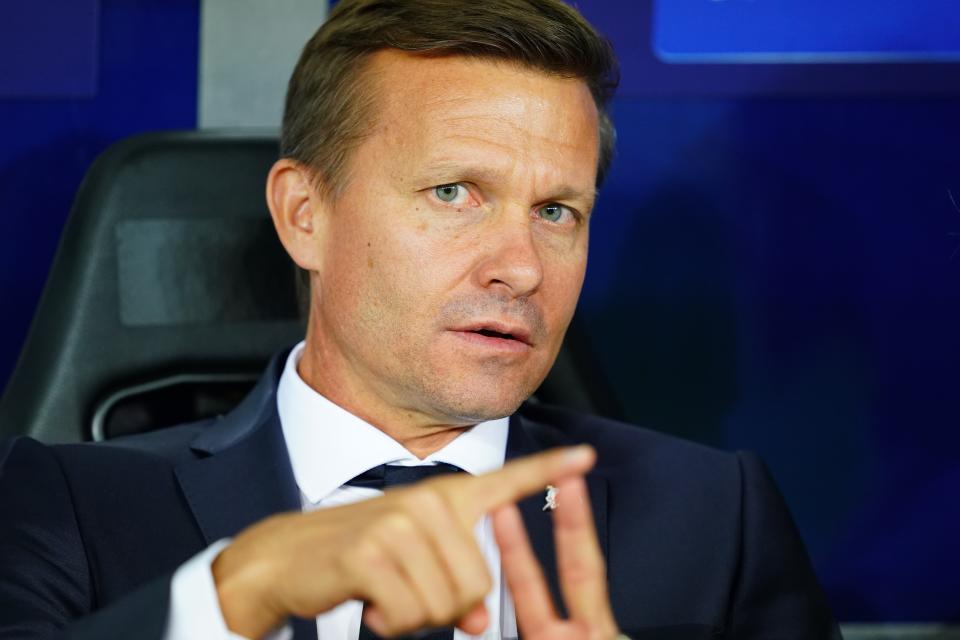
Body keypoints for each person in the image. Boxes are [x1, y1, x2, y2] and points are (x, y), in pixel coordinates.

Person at [0, 1, 841, 639]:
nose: (520, 266)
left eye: (557, 211)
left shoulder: (715, 517)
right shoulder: (67, 506)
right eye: (453, 192)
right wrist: (234, 593)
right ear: (304, 215)